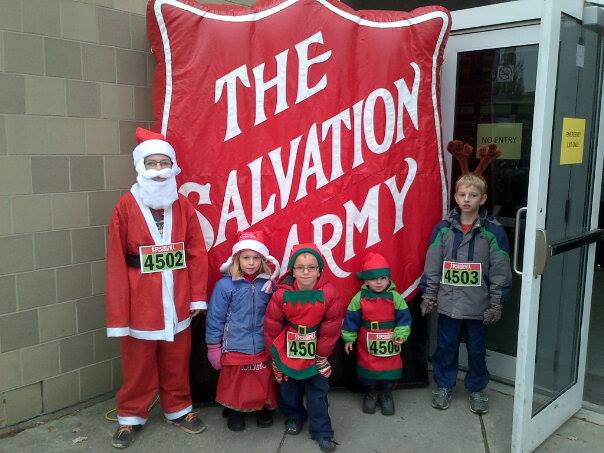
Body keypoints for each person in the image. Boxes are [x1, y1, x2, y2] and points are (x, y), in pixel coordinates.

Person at [105, 127, 208, 448]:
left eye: (165, 163)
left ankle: (179, 408)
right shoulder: (125, 205)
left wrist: (197, 296)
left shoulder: (183, 205)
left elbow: (196, 251)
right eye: (152, 163)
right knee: (138, 363)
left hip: (176, 296)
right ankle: (130, 415)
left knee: (177, 357)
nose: (160, 170)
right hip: (141, 300)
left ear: (174, 166)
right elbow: (115, 261)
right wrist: (119, 312)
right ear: (141, 167)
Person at [419, 143, 512, 415]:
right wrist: (429, 293)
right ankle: (445, 384)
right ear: (456, 197)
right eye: (462, 194)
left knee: (476, 349)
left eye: (473, 195)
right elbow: (433, 264)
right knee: (445, 346)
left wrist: (497, 302)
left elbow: (500, 270)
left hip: (478, 306)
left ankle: (476, 388)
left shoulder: (493, 233)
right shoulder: (443, 229)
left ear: (483, 199)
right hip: (448, 304)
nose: (467, 199)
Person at [264, 243, 345, 452]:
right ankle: (295, 415)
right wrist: (272, 351)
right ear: (292, 270)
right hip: (289, 344)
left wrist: (322, 352)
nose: (306, 272)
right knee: (288, 388)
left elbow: (332, 325)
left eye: (311, 267)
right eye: (300, 267)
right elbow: (272, 324)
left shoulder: (329, 293)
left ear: (320, 270)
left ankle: (322, 431)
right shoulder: (281, 294)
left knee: (318, 391)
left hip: (316, 344)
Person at [205, 230, 280, 432]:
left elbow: (276, 314)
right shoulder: (224, 285)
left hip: (262, 344)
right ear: (237, 258)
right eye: (246, 257)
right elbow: (215, 318)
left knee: (262, 378)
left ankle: (263, 408)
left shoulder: (268, 285)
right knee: (236, 382)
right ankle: (235, 411)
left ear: (262, 260)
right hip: (235, 345)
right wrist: (214, 346)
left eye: (256, 258)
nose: (251, 262)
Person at [341, 252, 411, 416]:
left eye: (382, 278)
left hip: (390, 344)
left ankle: (386, 394)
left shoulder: (396, 297)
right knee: (367, 374)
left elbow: (404, 319)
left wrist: (401, 334)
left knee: (389, 374)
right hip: (367, 343)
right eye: (374, 279)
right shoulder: (359, 298)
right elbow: (351, 319)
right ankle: (371, 393)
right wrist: (349, 338)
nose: (378, 282)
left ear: (388, 279)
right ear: (365, 281)